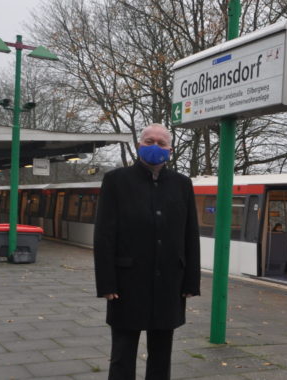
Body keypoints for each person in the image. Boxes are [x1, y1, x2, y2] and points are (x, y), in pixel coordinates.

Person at [94, 123, 201, 380]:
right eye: (149, 141)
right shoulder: (116, 181)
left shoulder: (182, 184)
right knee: (122, 353)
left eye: (161, 143)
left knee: (162, 355)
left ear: (171, 150)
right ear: (139, 145)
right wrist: (106, 282)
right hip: (126, 283)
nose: (155, 147)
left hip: (169, 284)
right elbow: (104, 236)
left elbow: (190, 234)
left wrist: (191, 281)